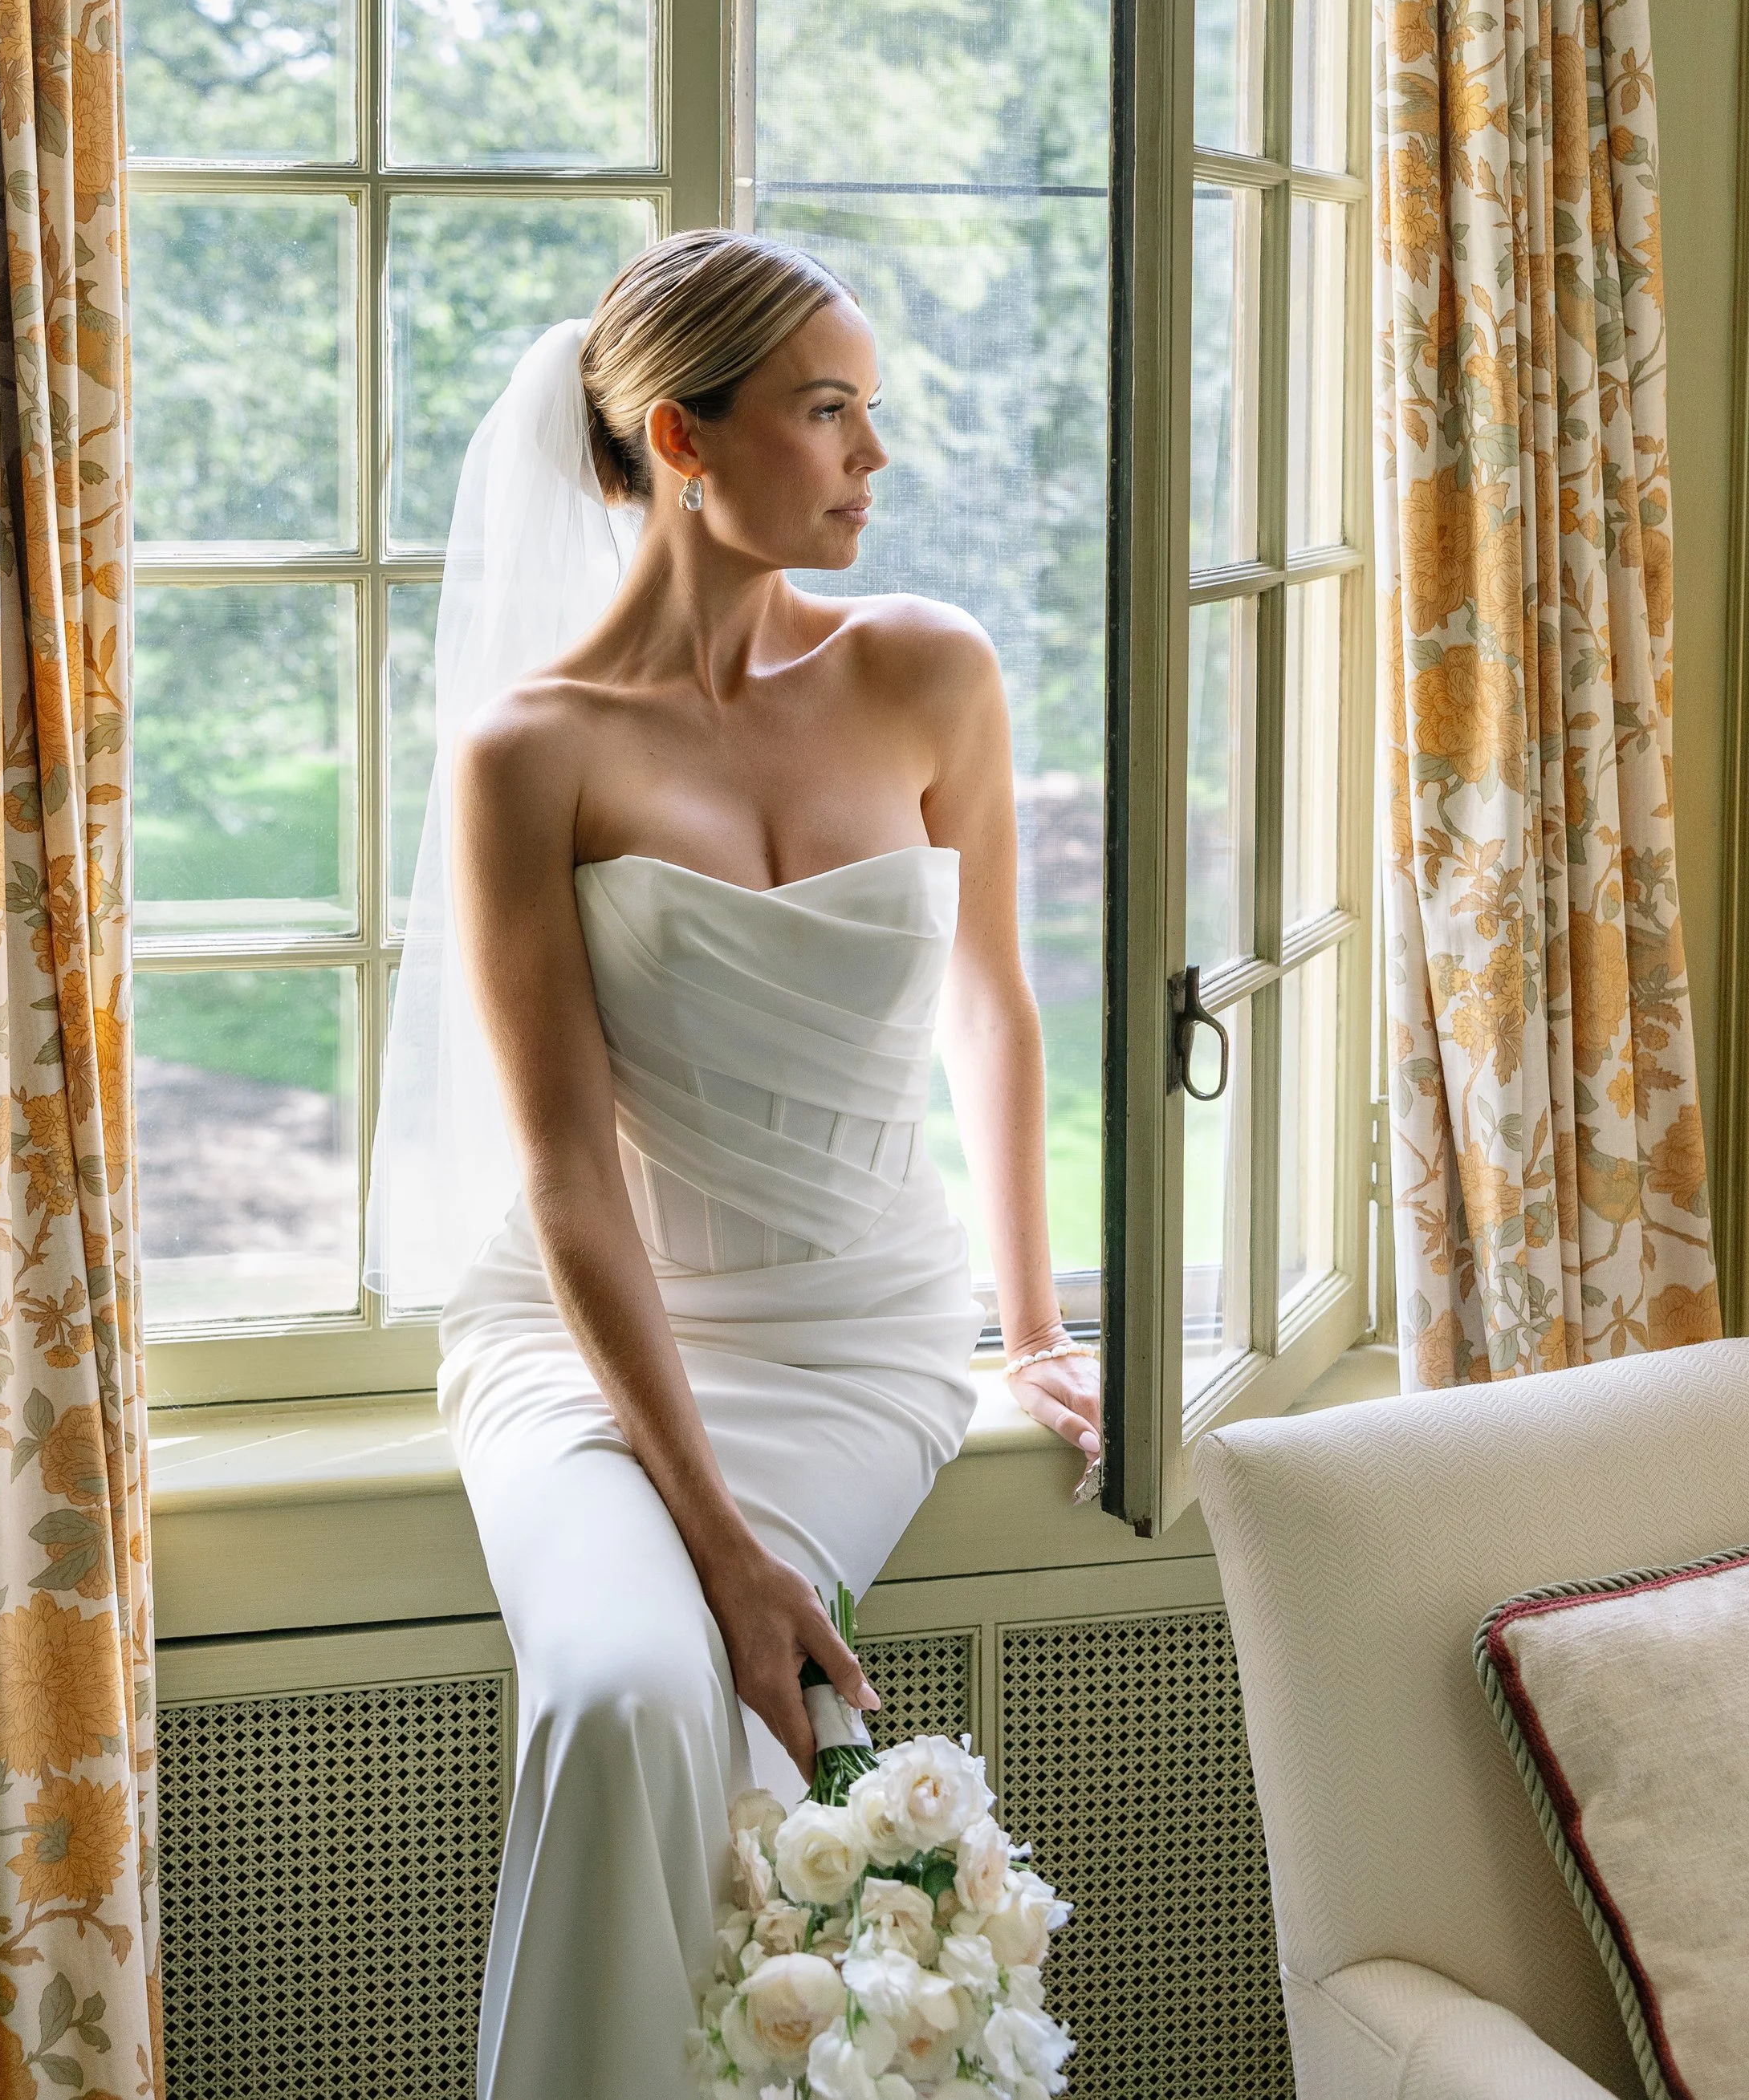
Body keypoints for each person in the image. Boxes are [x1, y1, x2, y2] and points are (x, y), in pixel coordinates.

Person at [373, 229, 1100, 2098]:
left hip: (858, 1338)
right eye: (829, 412)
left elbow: (994, 1016)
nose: (875, 457)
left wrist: (1027, 1333)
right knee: (628, 1691)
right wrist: (709, 1536)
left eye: (874, 410)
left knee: (736, 1735)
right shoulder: (528, 753)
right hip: (595, 1340)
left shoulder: (928, 669)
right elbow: (561, 1172)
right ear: (682, 445)